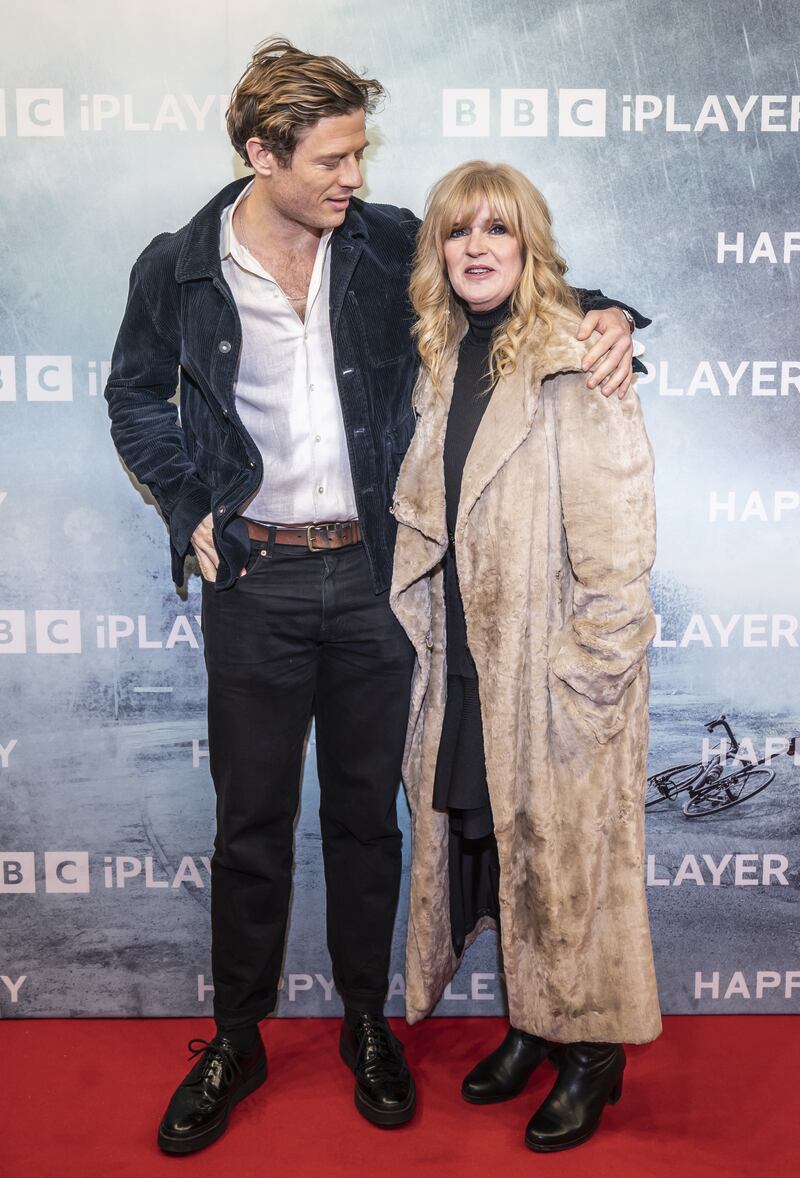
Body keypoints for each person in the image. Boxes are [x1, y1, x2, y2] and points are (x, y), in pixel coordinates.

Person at [104, 38, 648, 1155]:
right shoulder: (178, 265)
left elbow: (510, 284)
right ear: (264, 154)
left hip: (373, 580)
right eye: (332, 158)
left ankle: (363, 1020)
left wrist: (610, 317)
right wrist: (183, 500)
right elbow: (133, 395)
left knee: (367, 819)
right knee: (250, 822)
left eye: (359, 152)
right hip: (251, 575)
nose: (353, 176)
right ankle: (238, 1034)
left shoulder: (382, 240)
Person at [390, 160, 661, 1153]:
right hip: (469, 660)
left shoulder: (570, 354)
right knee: (505, 847)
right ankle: (532, 1021)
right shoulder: (441, 353)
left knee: (568, 859)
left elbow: (616, 532)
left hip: (555, 667)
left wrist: (593, 664)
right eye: (458, 231)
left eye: (495, 231)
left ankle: (591, 1051)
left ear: (526, 246)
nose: (474, 248)